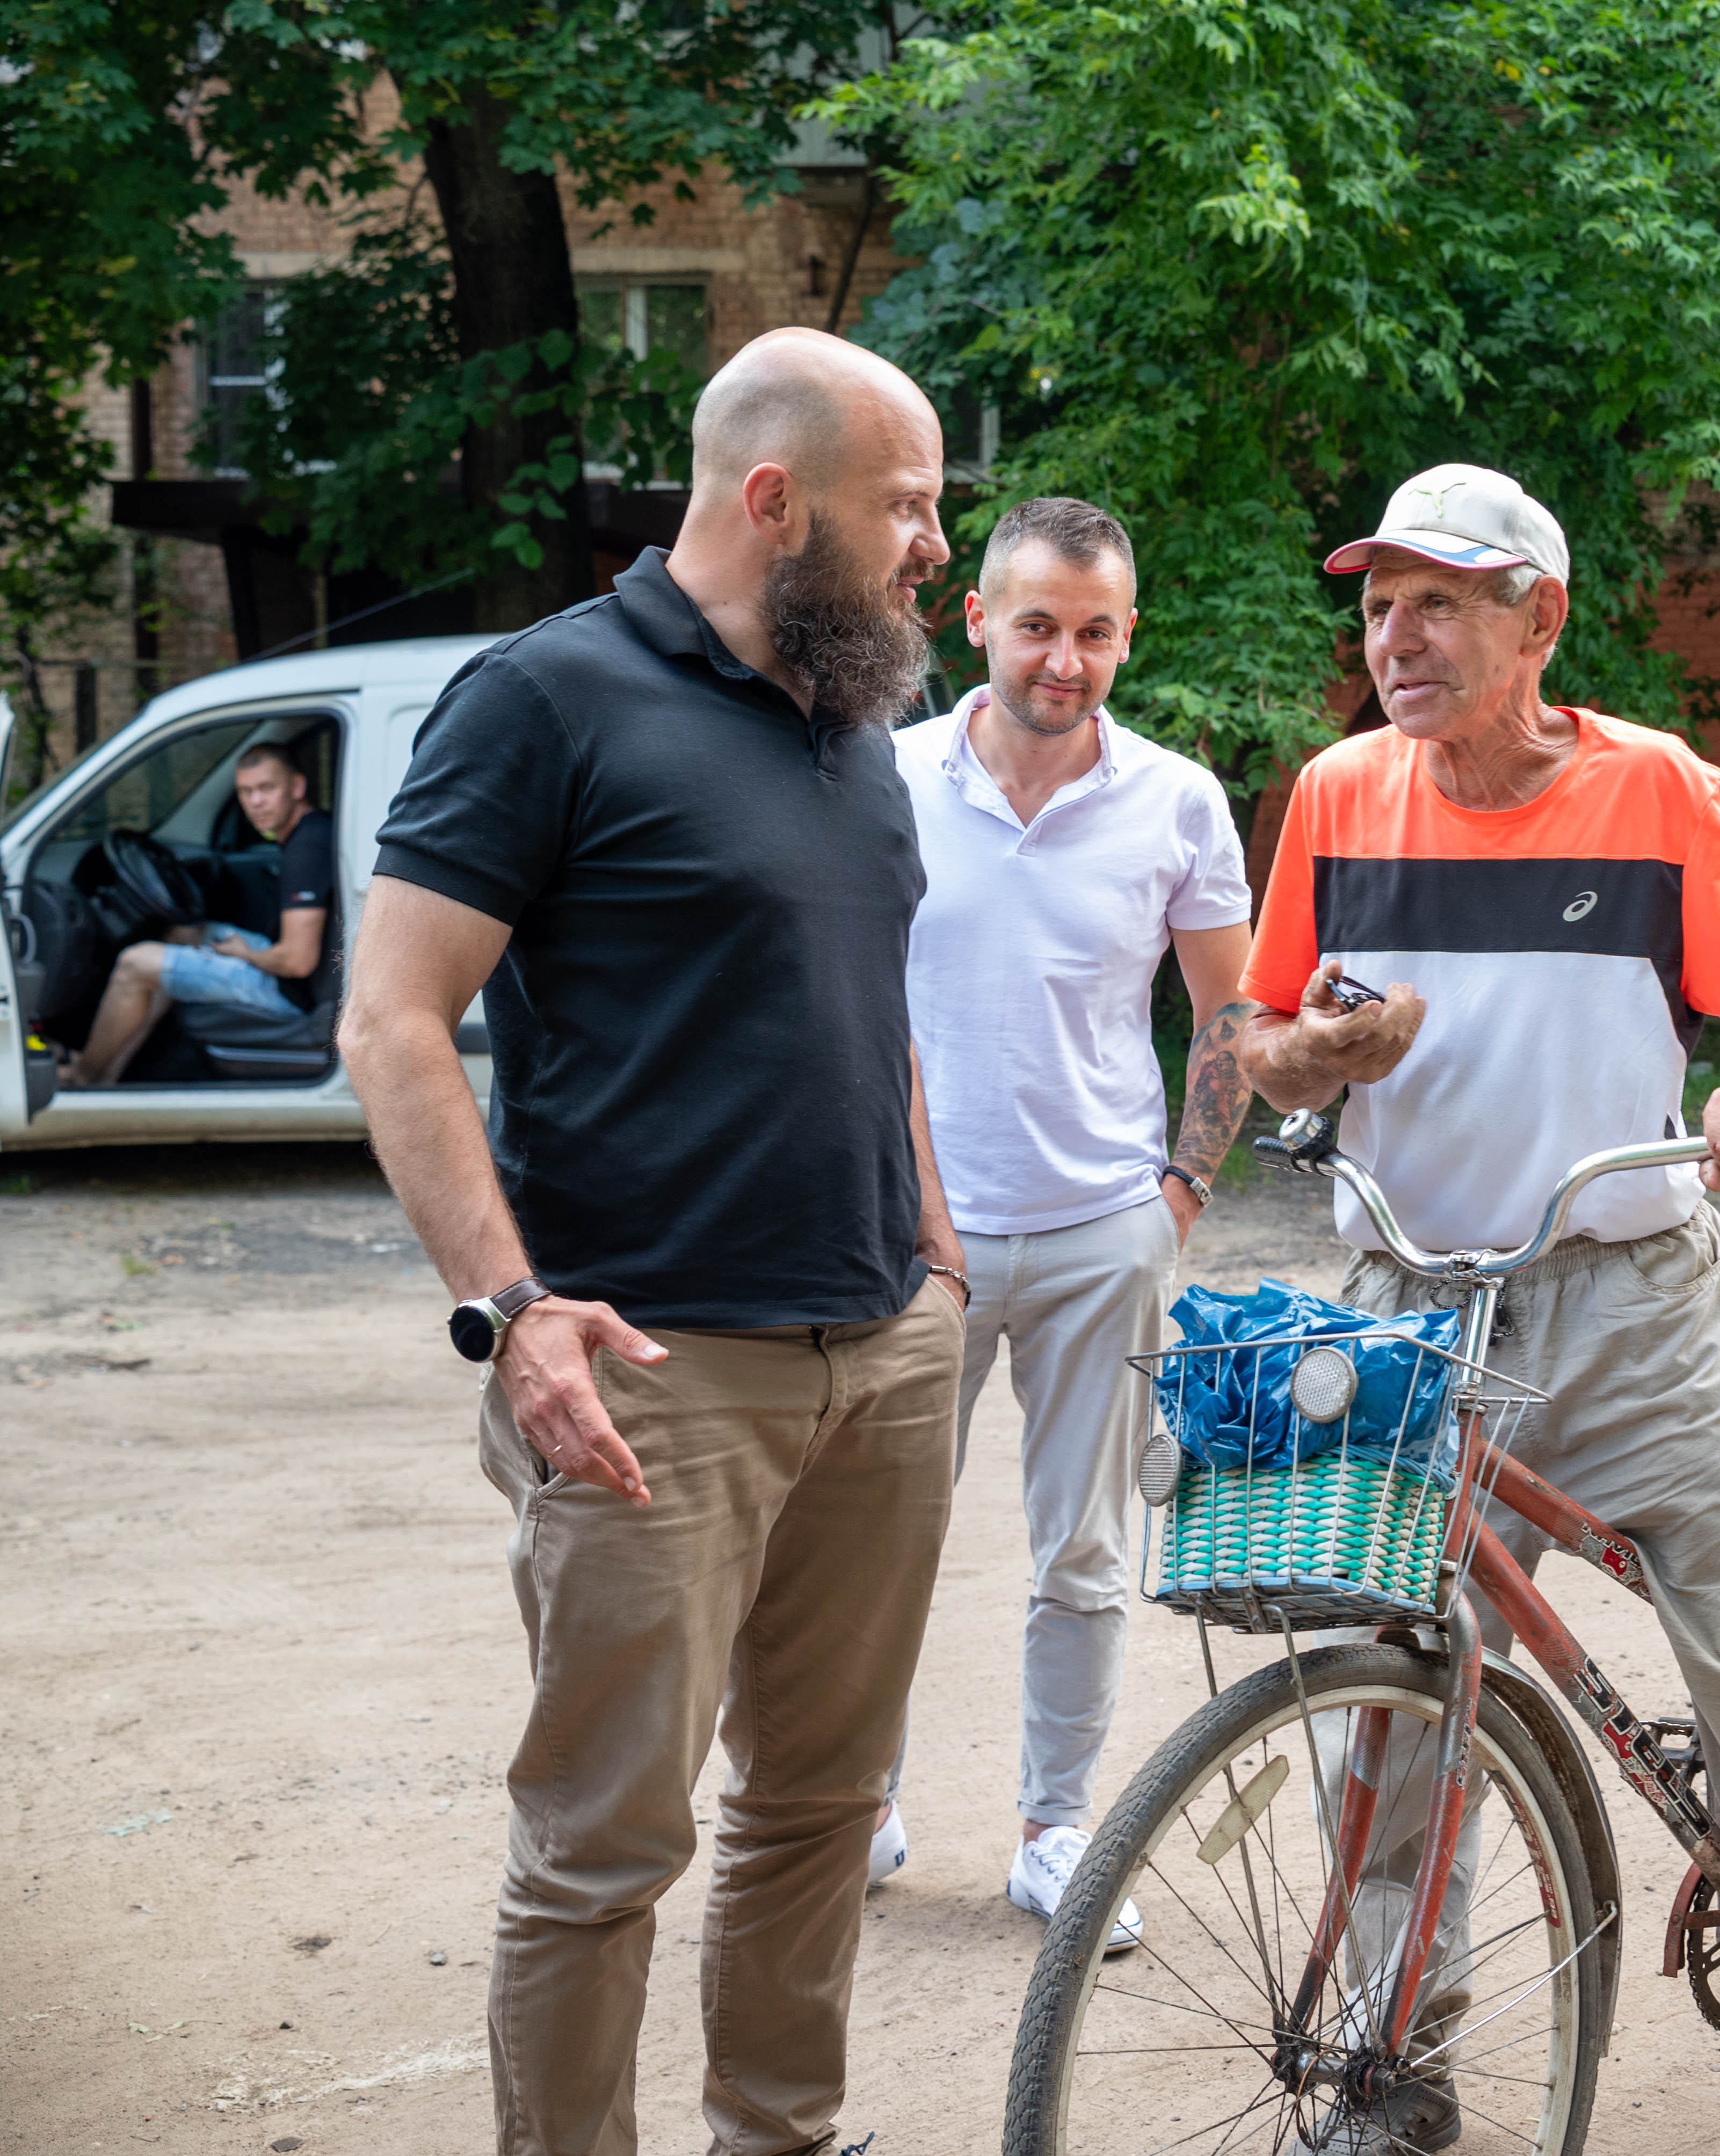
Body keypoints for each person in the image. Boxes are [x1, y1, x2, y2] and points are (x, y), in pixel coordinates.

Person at [1229, 462, 1720, 2156]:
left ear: (1539, 620)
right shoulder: (1341, 793)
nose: (1394, 634)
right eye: (1376, 603)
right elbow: (1257, 1030)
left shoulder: (1652, 791)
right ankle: (1388, 2058)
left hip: (1633, 1303)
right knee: (1395, 1688)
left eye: (1437, 600)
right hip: (1413, 1309)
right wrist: (1310, 1055)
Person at [337, 326, 969, 2156]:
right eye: (906, 505)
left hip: (880, 1353)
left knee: (823, 1806)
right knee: (606, 1843)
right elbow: (392, 1022)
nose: (931, 542)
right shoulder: (546, 696)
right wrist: (508, 1309)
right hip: (649, 1374)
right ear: (774, 501)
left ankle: (778, 2130)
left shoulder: (849, 721)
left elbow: (870, 999)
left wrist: (929, 1254)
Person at [873, 494, 1254, 1934]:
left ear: (1127, 637)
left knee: (1084, 1555)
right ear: (977, 621)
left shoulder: (1178, 801)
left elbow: (1230, 1015)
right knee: (876, 1547)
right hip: (920, 1242)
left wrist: (1180, 1195)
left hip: (1104, 1230)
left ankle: (1056, 1828)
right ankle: (864, 1803)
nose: (1066, 659)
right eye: (1038, 625)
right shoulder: (885, 776)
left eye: (1096, 632)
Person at [69, 738, 335, 1083]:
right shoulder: (308, 832)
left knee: (134, 964)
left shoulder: (308, 848)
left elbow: (297, 961)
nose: (255, 803)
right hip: (285, 969)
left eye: (267, 789)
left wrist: (246, 955)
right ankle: (114, 1072)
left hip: (291, 993)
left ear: (297, 786)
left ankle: (84, 1076)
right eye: (246, 792)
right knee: (186, 932)